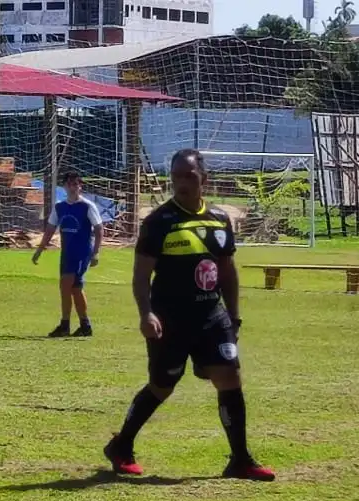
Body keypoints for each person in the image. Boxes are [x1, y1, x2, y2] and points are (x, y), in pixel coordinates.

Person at [103, 149, 274, 481]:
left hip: (212, 316)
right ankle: (121, 445)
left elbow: (227, 271)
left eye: (189, 177)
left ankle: (240, 459)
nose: (181, 183)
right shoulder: (158, 222)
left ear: (203, 179)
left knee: (229, 377)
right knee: (163, 385)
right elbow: (141, 276)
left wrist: (234, 316)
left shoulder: (220, 220)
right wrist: (146, 313)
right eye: (177, 176)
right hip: (170, 319)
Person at [32, 172, 103, 337]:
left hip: (81, 253)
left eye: (75, 184)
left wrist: (96, 253)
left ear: (80, 186)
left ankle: (65, 325)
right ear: (64, 187)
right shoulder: (60, 207)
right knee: (74, 288)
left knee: (67, 285)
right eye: (69, 184)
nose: (72, 187)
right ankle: (85, 325)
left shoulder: (87, 206)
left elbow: (99, 229)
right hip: (67, 253)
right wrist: (40, 249)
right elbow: (50, 229)